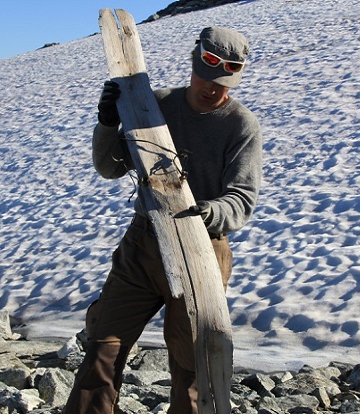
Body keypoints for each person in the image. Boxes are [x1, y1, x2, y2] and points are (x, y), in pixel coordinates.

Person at [64, 26, 263, 414]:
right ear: (194, 63)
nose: (212, 87)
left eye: (224, 81)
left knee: (191, 369)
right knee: (103, 347)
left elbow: (242, 198)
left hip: (202, 251)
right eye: (207, 75)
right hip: (144, 244)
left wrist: (209, 211)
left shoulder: (241, 126)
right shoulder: (154, 106)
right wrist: (108, 123)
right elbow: (110, 168)